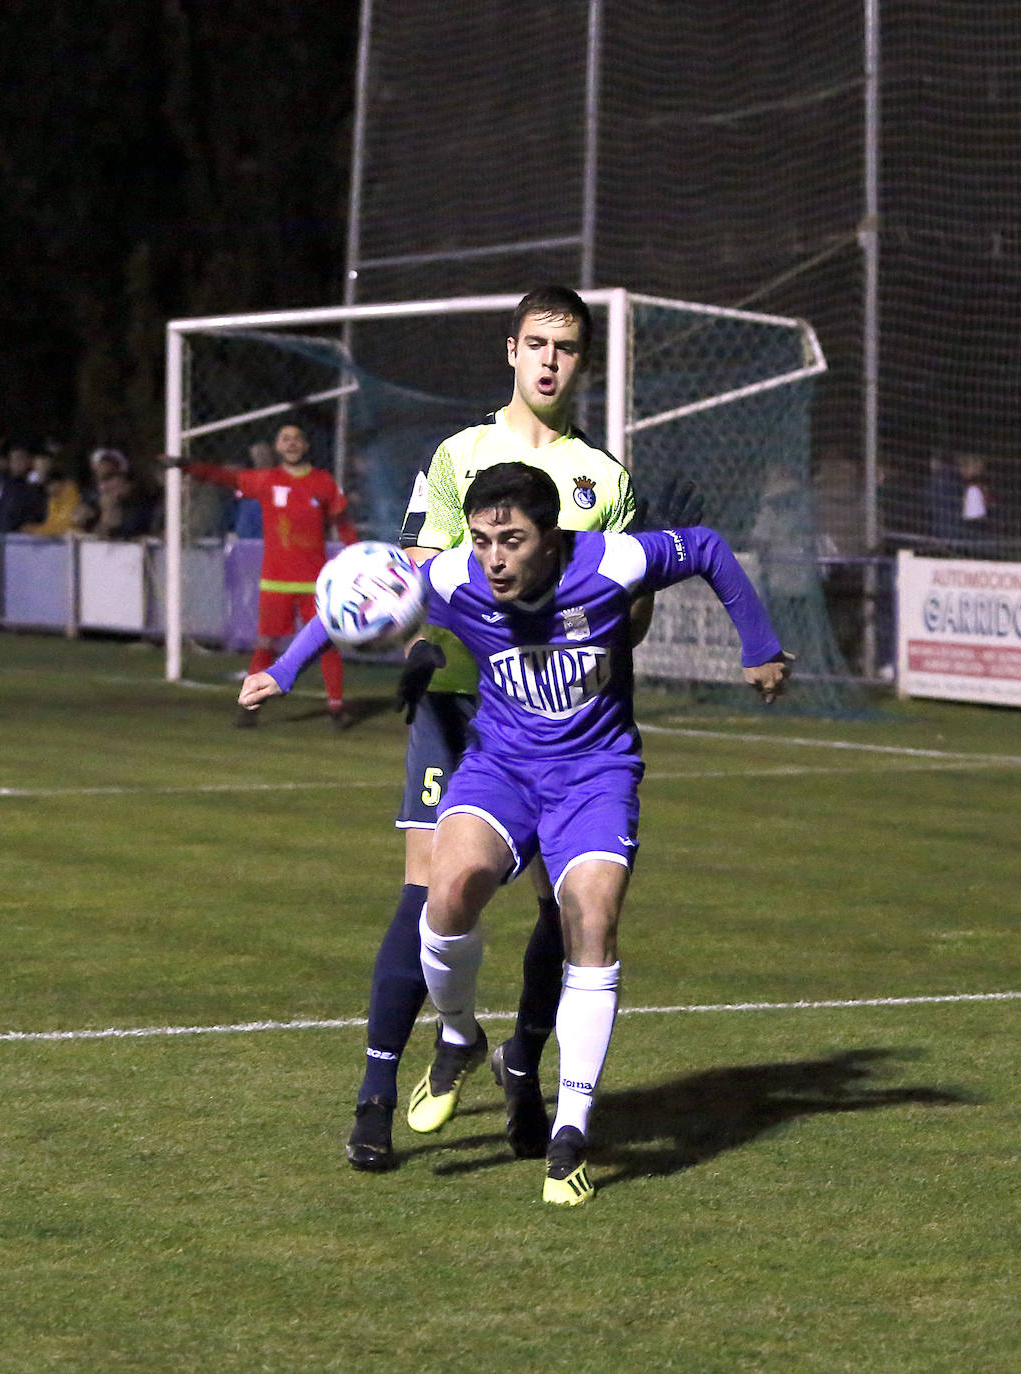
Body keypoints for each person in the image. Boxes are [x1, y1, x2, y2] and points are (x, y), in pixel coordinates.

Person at [246, 462, 790, 1204]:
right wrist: (283, 669)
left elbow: (705, 548)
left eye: (510, 539)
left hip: (594, 776)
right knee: (447, 894)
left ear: (551, 537)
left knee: (589, 923)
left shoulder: (613, 562)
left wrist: (757, 645)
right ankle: (462, 1035)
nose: (493, 557)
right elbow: (352, 604)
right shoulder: (454, 578)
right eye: (480, 540)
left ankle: (569, 1132)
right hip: (500, 768)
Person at [239, 286, 681, 1174]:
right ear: (510, 351)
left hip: (571, 721)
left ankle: (522, 1065)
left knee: (569, 907)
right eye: (537, 345)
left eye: (567, 349)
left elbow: (626, 608)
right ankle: (380, 1093)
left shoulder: (606, 480)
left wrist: (617, 622)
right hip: (457, 704)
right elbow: (411, 576)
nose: (551, 362)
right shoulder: (457, 455)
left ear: (581, 362)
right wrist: (393, 643)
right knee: (429, 892)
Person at [167, 423, 358, 729]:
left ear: (306, 445)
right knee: (265, 644)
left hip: (315, 582)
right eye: (285, 439)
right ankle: (251, 704)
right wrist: (186, 466)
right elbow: (225, 477)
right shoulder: (267, 480)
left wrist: (356, 557)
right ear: (278, 447)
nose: (292, 443)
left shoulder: (323, 482)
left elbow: (343, 524)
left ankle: (336, 706)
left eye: (297, 438)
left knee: (327, 642)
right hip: (275, 582)